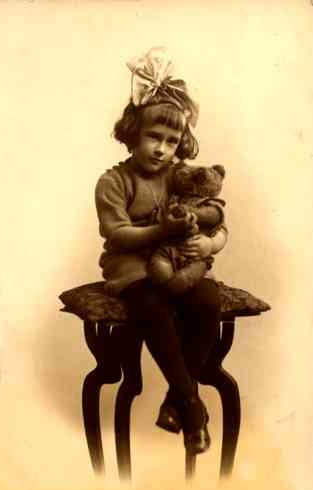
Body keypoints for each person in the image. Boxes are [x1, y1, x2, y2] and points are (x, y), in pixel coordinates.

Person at [95, 48, 228, 455]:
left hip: (178, 265)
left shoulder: (180, 176)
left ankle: (174, 401)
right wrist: (161, 229)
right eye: (154, 137)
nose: (161, 149)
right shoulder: (113, 181)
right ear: (134, 132)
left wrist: (208, 243)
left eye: (171, 142)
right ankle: (191, 408)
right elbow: (117, 234)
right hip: (132, 270)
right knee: (152, 306)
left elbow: (216, 218)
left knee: (207, 299)